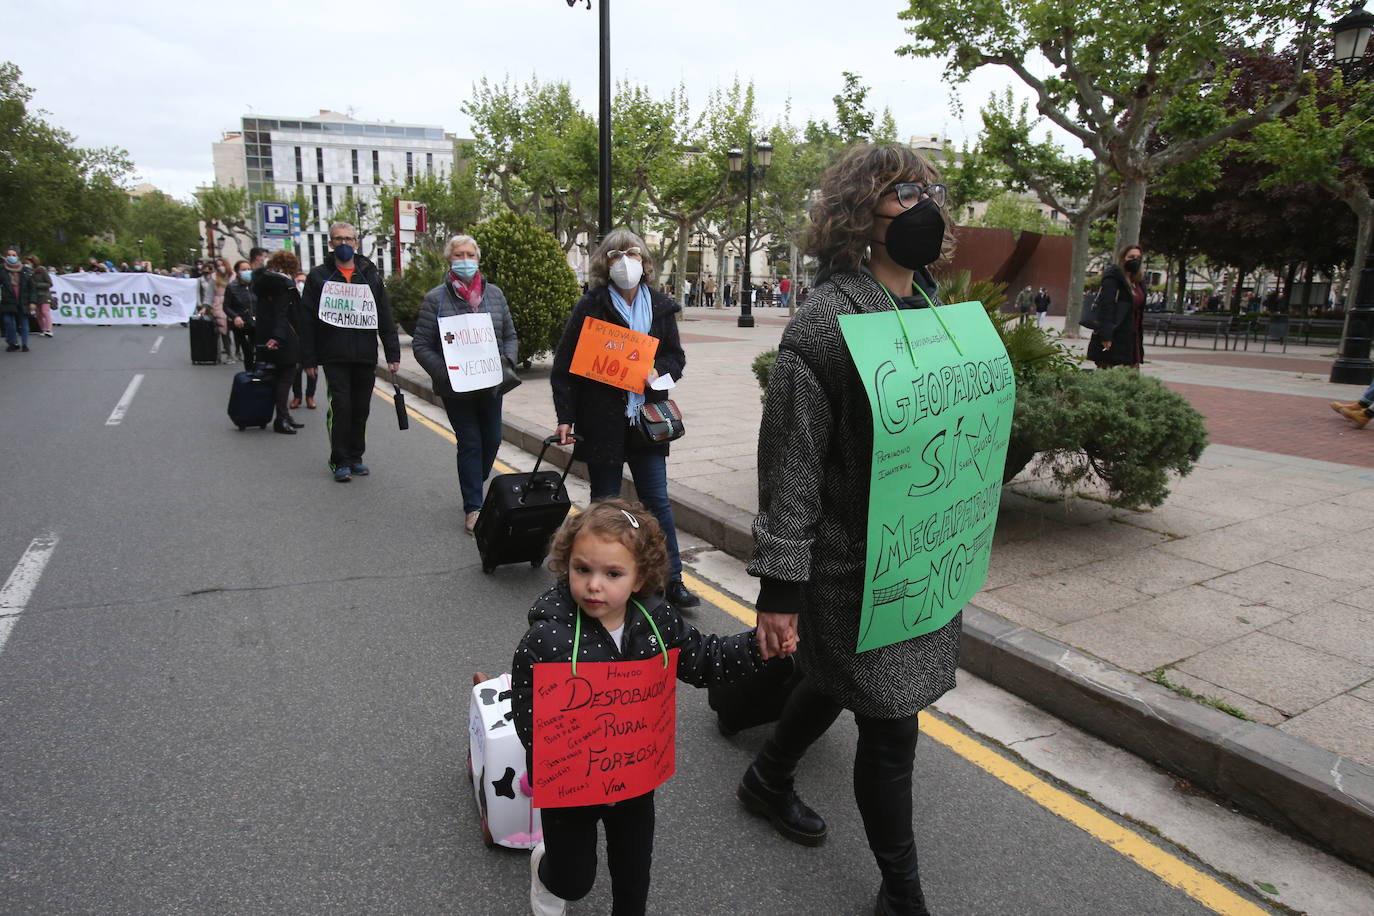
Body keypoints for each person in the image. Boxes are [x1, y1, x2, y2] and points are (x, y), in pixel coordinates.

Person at [742, 144, 961, 916]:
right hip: (855, 571)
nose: (924, 203)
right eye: (904, 191)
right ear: (858, 214)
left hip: (921, 557)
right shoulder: (826, 326)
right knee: (890, 725)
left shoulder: (935, 310)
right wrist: (781, 591)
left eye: (929, 189)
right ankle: (903, 898)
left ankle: (768, 775)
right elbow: (792, 473)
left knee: (841, 684)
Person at [510, 500, 772, 916]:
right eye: (583, 570)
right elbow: (527, 701)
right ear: (567, 566)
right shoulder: (549, 637)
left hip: (633, 776)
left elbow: (704, 658)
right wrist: (544, 755)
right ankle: (549, 872)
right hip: (572, 785)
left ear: (639, 578)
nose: (595, 585)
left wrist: (759, 646)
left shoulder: (656, 622)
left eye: (612, 574)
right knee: (573, 878)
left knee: (634, 868)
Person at [550, 229, 700, 609]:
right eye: (616, 254)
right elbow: (565, 366)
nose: (625, 261)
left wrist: (656, 371)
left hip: (647, 420)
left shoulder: (661, 308)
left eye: (632, 253)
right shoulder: (591, 306)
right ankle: (602, 579)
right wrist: (565, 417)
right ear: (605, 263)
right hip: (602, 420)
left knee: (657, 502)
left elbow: (675, 358)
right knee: (605, 505)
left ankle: (673, 578)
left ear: (645, 262)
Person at [412, 234, 519, 533]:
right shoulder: (436, 298)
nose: (465, 261)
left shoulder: (494, 295)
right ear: (449, 259)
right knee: (470, 443)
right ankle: (474, 506)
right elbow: (422, 345)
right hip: (456, 387)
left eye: (470, 255)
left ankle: (473, 480)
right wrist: (445, 373)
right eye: (459, 255)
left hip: (491, 382)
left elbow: (510, 335)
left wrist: (507, 362)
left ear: (479, 259)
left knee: (493, 439)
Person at [300, 222, 401, 482]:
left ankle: (356, 456)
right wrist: (308, 358)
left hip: (365, 355)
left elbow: (384, 317)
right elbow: (307, 321)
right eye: (338, 239)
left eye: (349, 239)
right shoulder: (319, 277)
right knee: (341, 407)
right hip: (334, 356)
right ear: (331, 243)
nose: (344, 243)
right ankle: (340, 459)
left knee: (361, 408)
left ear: (356, 243)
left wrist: (392, 354)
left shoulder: (370, 276)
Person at [251, 250, 306, 435]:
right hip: (285, 336)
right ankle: (281, 418)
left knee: (279, 377)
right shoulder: (283, 283)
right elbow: (282, 313)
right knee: (286, 377)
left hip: (266, 334)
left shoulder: (264, 282)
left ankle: (284, 416)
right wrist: (279, 337)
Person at [1087, 245, 1147, 369]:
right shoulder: (1113, 278)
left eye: (1138, 258)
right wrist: (1106, 336)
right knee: (1109, 372)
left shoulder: (1138, 282)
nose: (1135, 260)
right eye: (1131, 257)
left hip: (1132, 337)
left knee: (1131, 378)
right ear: (1123, 258)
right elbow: (1106, 307)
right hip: (1114, 334)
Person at [222, 259, 257, 371]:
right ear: (237, 272)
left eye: (249, 269)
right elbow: (226, 306)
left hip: (257, 323)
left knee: (260, 351)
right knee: (248, 351)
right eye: (244, 270)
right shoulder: (232, 287)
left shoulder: (255, 285)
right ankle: (250, 374)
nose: (247, 272)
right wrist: (235, 316)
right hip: (242, 324)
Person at [289, 271, 317, 410]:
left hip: (312, 338)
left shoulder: (314, 298)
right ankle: (297, 396)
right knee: (297, 369)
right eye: (298, 281)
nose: (301, 284)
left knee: (313, 369)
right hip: (296, 337)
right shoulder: (291, 299)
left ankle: (310, 396)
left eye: (303, 281)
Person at [1, 247, 37, 352]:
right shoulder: (2, 270)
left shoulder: (25, 270)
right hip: (8, 300)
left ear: (18, 257)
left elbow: (32, 287)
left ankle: (25, 344)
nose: (11, 257)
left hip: (23, 300)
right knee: (8, 321)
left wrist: (33, 301)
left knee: (24, 322)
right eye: (9, 255)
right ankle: (13, 342)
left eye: (13, 255)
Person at [210, 258, 233, 360]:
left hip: (233, 303)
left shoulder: (234, 276)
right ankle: (228, 353)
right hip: (219, 305)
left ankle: (237, 352)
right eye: (218, 266)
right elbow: (209, 293)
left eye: (222, 265)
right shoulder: (214, 278)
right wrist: (206, 306)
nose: (220, 267)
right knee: (223, 328)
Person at [26, 256, 53, 338]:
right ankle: (43, 329)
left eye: (29, 263)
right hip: (35, 296)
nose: (27, 264)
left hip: (44, 295)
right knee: (38, 314)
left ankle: (49, 330)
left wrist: (37, 285)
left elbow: (49, 283)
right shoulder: (29, 272)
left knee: (45, 311)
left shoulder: (42, 270)